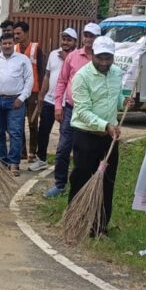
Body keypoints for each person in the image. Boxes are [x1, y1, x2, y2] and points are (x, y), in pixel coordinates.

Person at [68, 36, 131, 237]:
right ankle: (77, 220)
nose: (104, 63)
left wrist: (125, 102)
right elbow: (83, 111)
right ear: (92, 54)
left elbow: (116, 99)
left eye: (108, 58)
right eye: (100, 58)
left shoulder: (116, 73)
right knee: (82, 179)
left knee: (107, 182)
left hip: (109, 139)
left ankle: (100, 226)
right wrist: (106, 125)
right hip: (86, 136)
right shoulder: (81, 77)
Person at [46, 22, 100, 197]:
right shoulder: (73, 57)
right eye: (86, 35)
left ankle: (82, 184)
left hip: (91, 112)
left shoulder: (101, 59)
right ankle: (60, 184)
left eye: (92, 36)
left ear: (98, 38)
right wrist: (57, 106)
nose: (88, 39)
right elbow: (62, 81)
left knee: (84, 150)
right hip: (70, 109)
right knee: (63, 148)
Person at [0, 34, 33, 176]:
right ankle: (2, 161)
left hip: (15, 102)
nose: (7, 46)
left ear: (13, 43)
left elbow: (29, 80)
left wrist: (22, 98)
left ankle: (14, 163)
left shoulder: (23, 60)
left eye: (9, 43)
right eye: (4, 43)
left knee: (15, 132)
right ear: (0, 45)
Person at [32, 28, 76, 173]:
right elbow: (47, 75)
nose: (65, 42)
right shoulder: (53, 54)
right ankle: (41, 159)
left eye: (69, 40)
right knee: (43, 130)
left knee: (66, 135)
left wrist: (67, 59)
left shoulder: (77, 57)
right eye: (64, 39)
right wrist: (41, 94)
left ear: (75, 42)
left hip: (67, 102)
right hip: (50, 100)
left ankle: (63, 164)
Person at [12, 21, 44, 171]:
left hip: (33, 92)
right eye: (15, 34)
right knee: (18, 123)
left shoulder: (36, 48)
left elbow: (42, 71)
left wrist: (41, 94)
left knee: (32, 122)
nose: (16, 36)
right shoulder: (14, 49)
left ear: (26, 33)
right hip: (18, 92)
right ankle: (22, 152)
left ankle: (32, 151)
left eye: (19, 33)